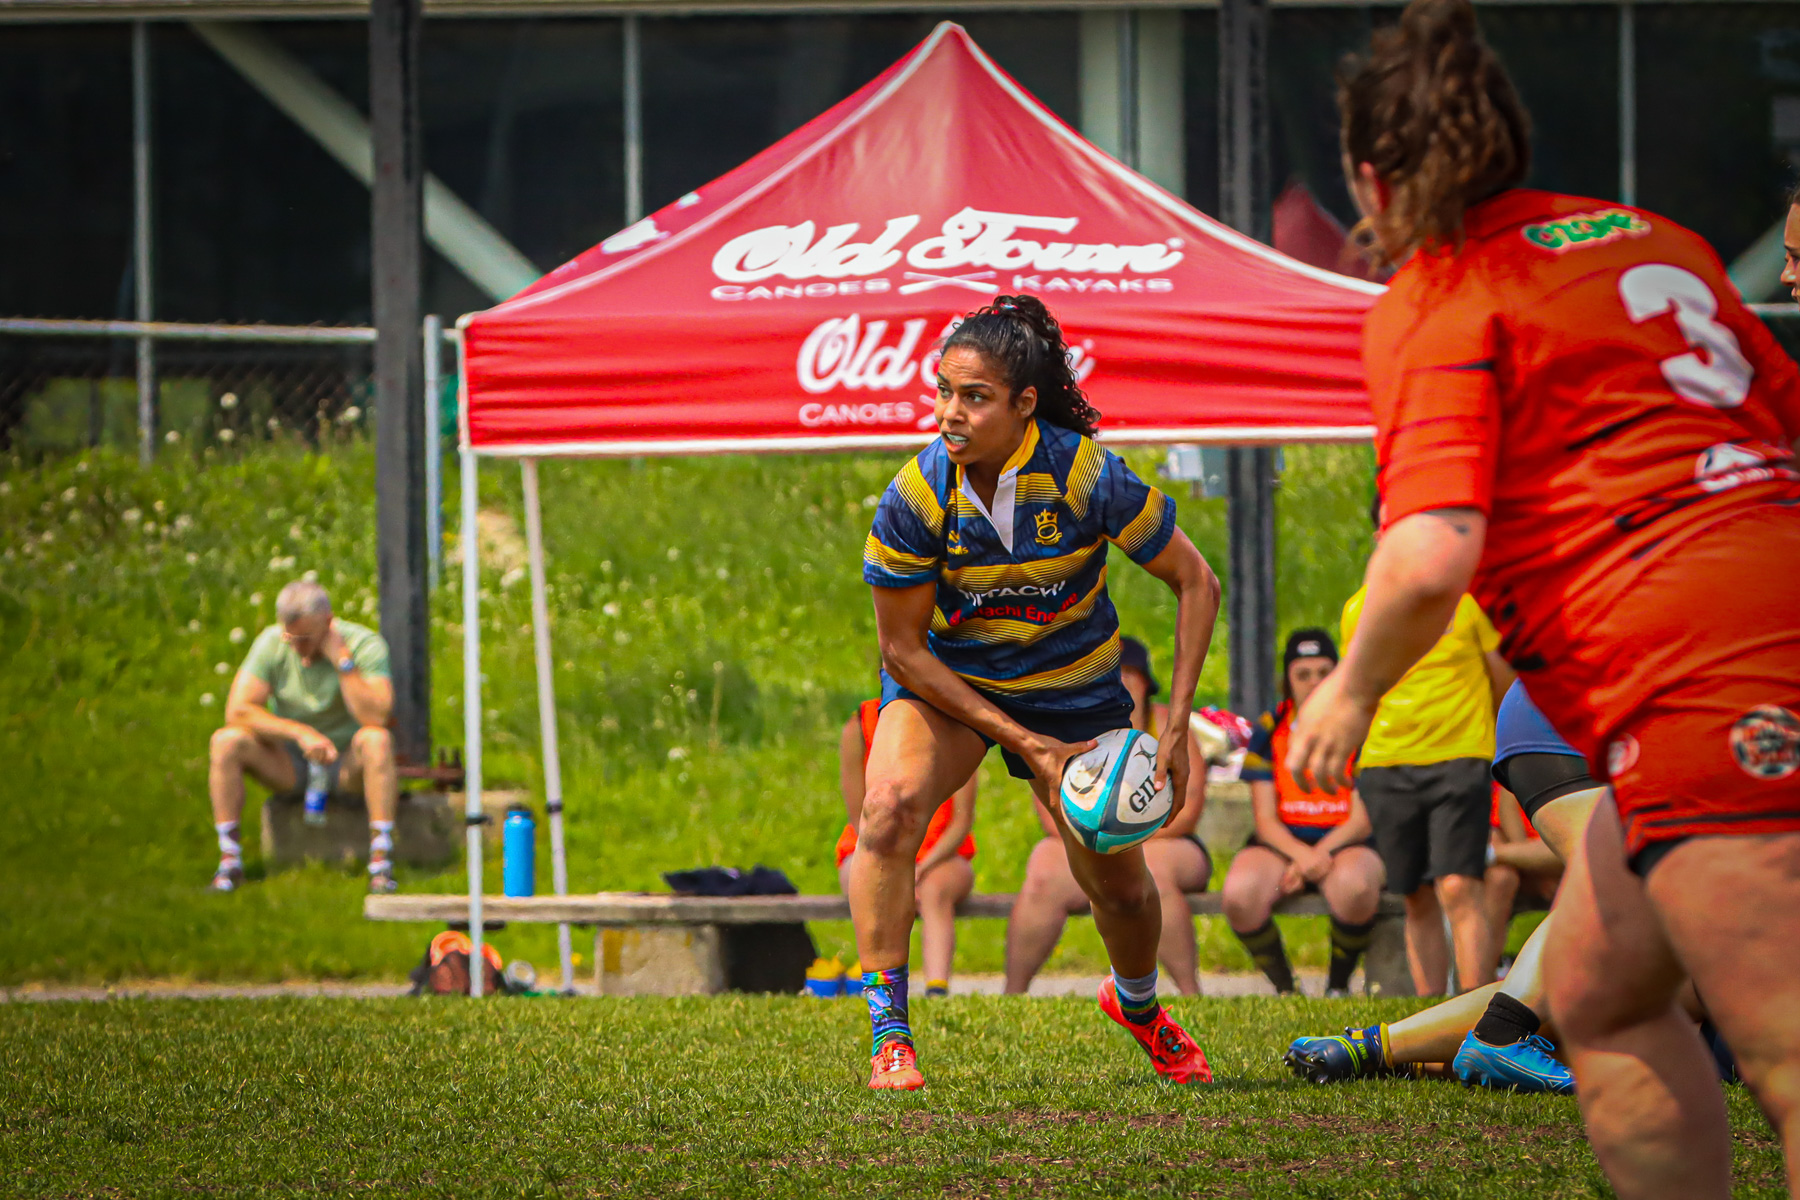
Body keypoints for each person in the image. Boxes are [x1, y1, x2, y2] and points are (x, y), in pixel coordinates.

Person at [1289, 2, 1800, 1191]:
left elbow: (1430, 550)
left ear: (1372, 177)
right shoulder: (1654, 240)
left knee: (1781, 1044)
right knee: (1594, 995)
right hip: (1747, 619)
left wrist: (1349, 693)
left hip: (1700, 668)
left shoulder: (1438, 295)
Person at [854, 294, 1222, 1090]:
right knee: (887, 808)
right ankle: (891, 1035)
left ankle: (1140, 1006)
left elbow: (1197, 580)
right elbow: (903, 650)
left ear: (1024, 404)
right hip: (951, 685)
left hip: (1075, 694)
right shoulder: (916, 497)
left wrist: (1178, 724)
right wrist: (1022, 742)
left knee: (1119, 891)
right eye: (944, 392)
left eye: (975, 397)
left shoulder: (1083, 471)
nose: (951, 413)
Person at [1342, 543, 1513, 996]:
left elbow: (1503, 679)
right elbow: (1358, 686)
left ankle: (1476, 1011)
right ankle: (1432, 1008)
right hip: (1384, 763)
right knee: (1415, 895)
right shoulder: (1359, 609)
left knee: (1458, 885)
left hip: (1460, 757)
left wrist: (1494, 736)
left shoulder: (1470, 603)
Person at [1004, 636, 1213, 996]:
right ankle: (1012, 994)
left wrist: (1125, 835)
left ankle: (1189, 993)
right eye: (1111, 672)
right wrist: (1108, 836)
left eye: (1128, 673)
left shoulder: (1169, 725)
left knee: (1152, 872)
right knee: (1042, 870)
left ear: (1146, 682)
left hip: (1171, 839)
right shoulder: (1072, 729)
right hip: (1088, 838)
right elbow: (1048, 811)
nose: (1120, 680)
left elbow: (1189, 810)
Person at [1222, 629, 1384, 997]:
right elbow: (1265, 820)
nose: (1314, 682)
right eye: (1303, 674)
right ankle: (1285, 988)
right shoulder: (1269, 729)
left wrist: (1318, 855)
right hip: (1283, 843)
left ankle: (1337, 986)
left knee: (1356, 888)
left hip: (1345, 840)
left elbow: (1362, 820)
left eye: (1324, 672)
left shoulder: (1361, 728)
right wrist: (1301, 856)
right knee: (1240, 896)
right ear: (1287, 679)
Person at [209, 580, 398, 894]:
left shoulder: (365, 644)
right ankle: (229, 861)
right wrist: (300, 734)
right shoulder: (272, 643)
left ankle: (381, 862)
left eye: (306, 639)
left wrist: (343, 663)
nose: (297, 647)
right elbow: (238, 710)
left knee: (377, 739)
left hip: (346, 762)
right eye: (290, 637)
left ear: (328, 623)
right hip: (291, 761)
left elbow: (375, 716)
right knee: (225, 741)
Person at [837, 697, 977, 998]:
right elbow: (859, 816)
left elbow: (961, 822)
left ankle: (936, 988)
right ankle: (877, 991)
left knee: (934, 889)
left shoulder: (960, 724)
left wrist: (919, 868)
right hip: (878, 843)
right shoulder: (860, 726)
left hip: (940, 857)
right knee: (871, 878)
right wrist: (892, 862)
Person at [1482, 783, 1561, 979]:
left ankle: (1490, 855)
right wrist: (1531, 864)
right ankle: (1483, 982)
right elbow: (1507, 802)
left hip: (1564, 853)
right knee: (1500, 879)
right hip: (1525, 855)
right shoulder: (1513, 771)